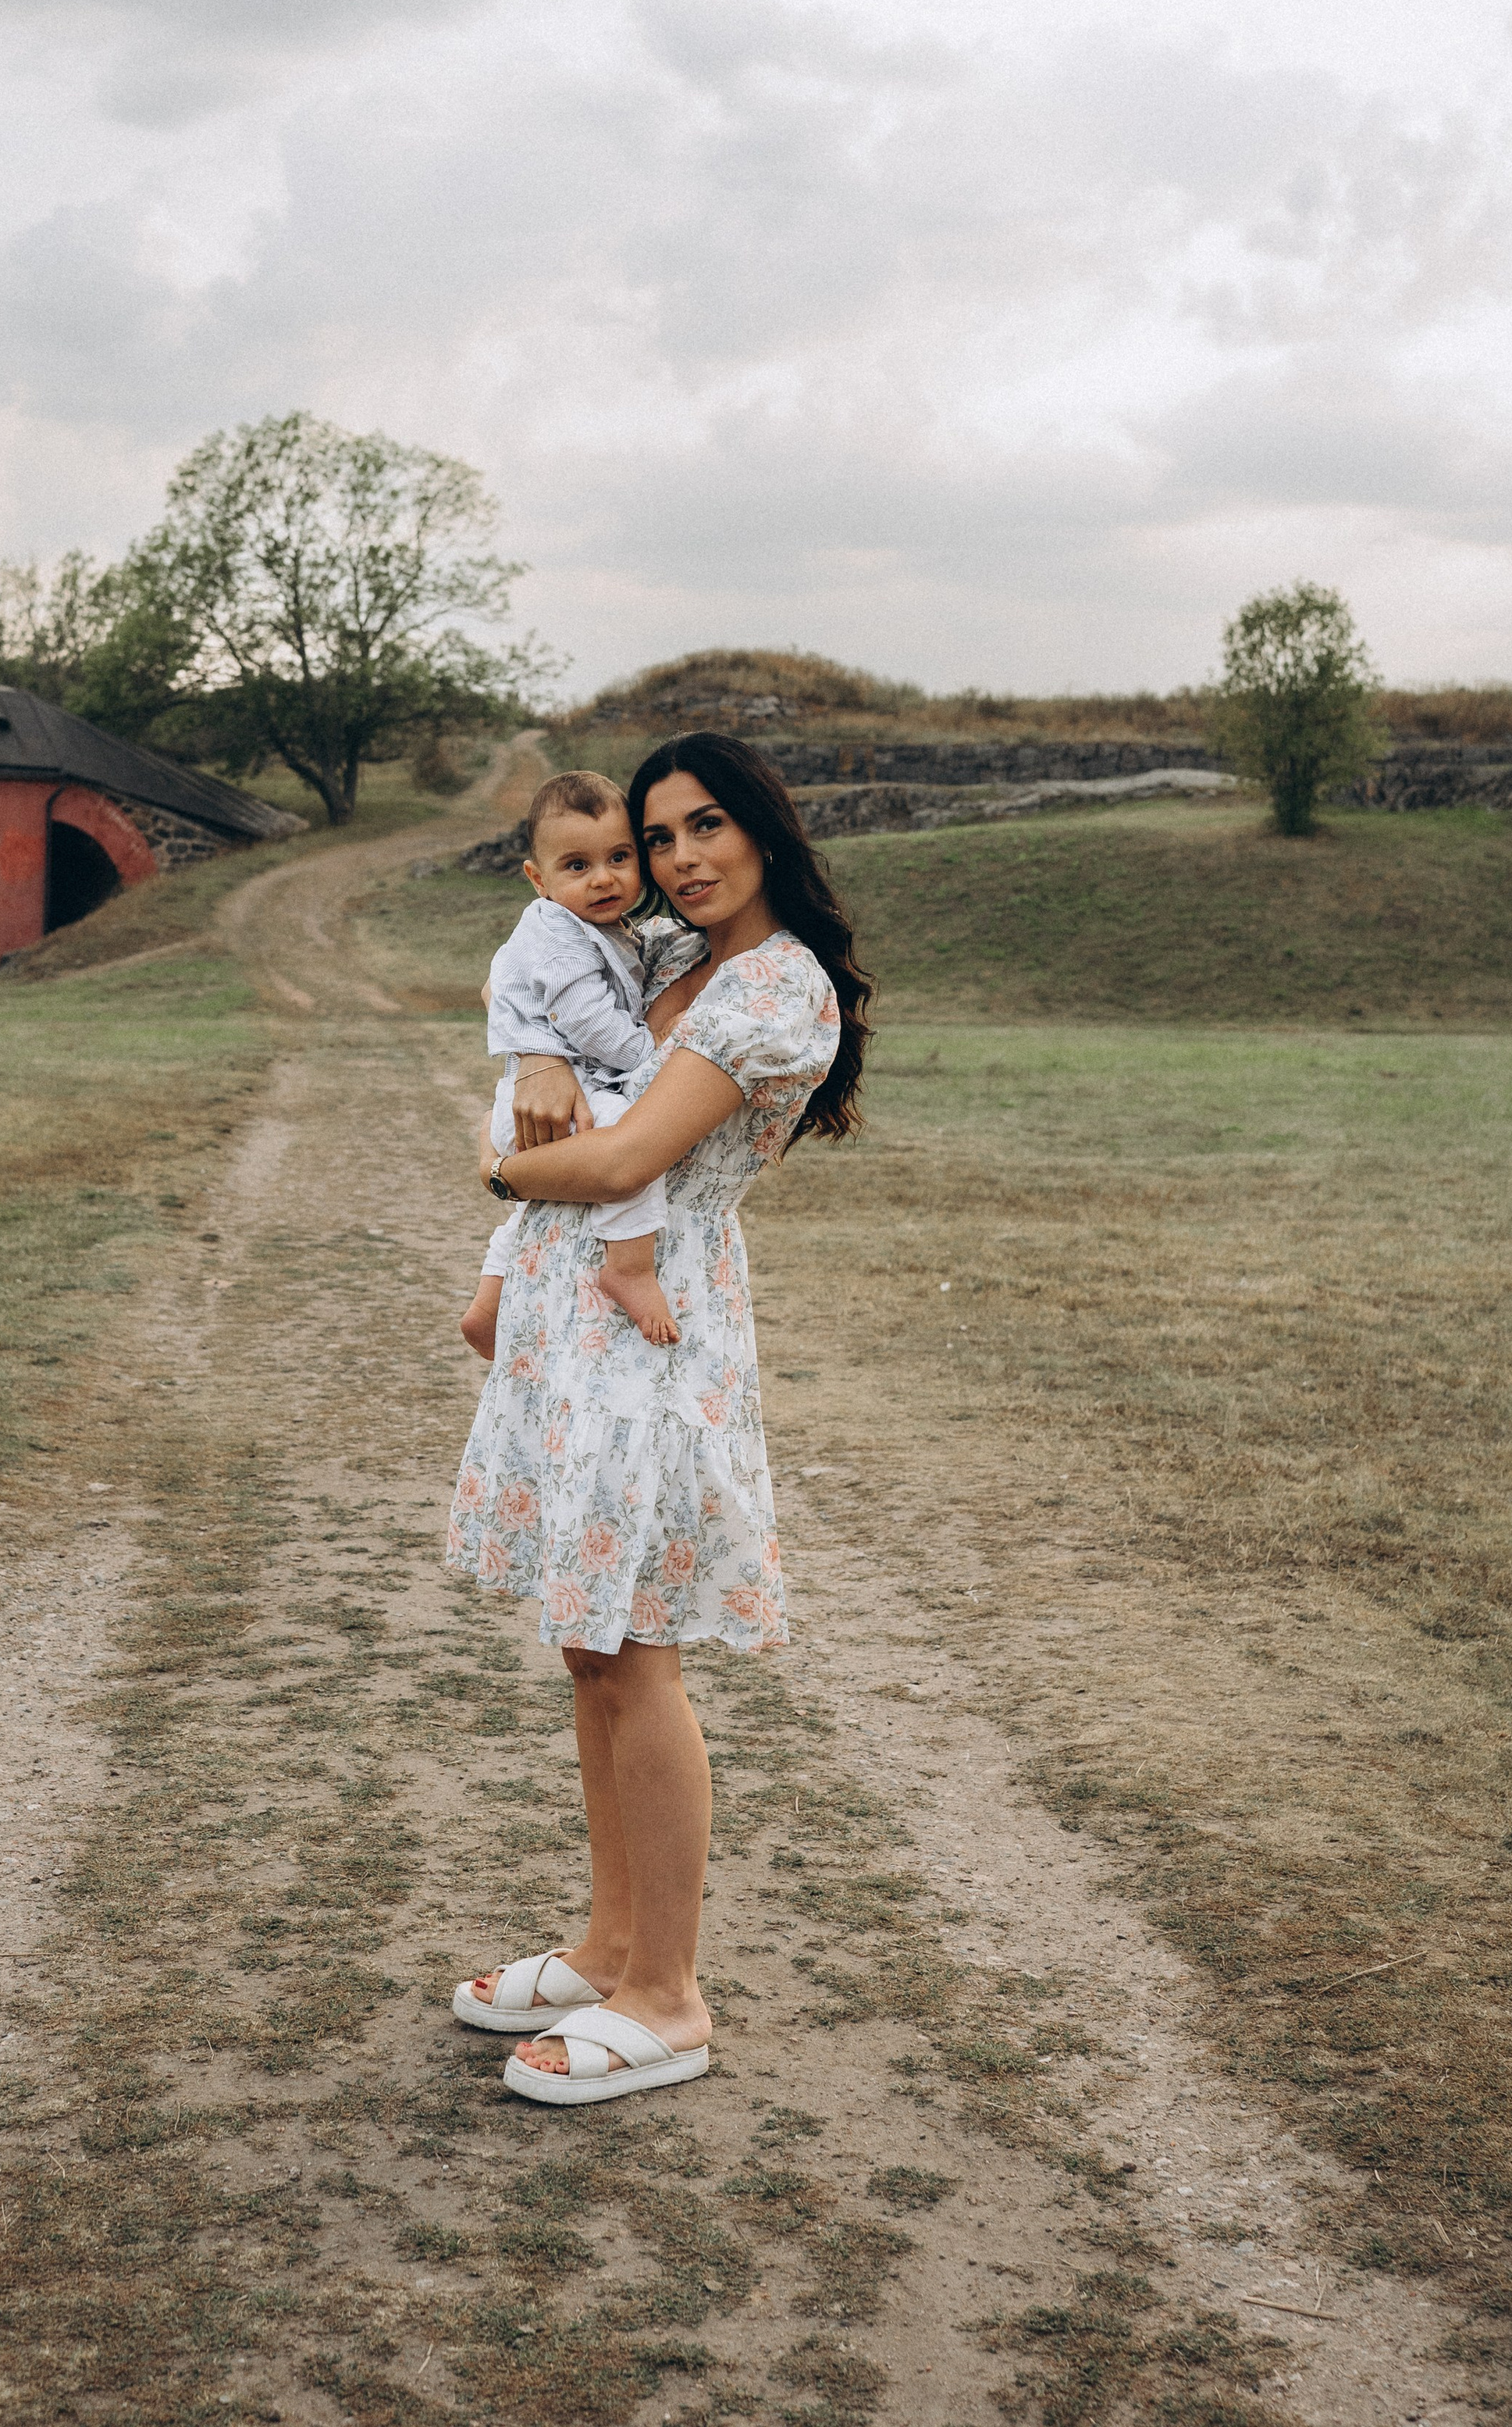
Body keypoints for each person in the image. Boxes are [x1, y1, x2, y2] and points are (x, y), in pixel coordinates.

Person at [444, 733, 872, 2105]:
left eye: (706, 829)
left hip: (658, 1336)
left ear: (762, 830)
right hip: (577, 1330)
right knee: (590, 1643)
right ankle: (609, 1940)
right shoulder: (653, 961)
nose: (679, 860)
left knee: (637, 1647)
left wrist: (508, 1157)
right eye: (657, 836)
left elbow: (623, 1156)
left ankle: (668, 1994)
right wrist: (524, 1099)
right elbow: (538, 1042)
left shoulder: (776, 986)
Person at [460, 770, 705, 1361]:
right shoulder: (554, 926)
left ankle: (489, 1303)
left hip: (546, 1095)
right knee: (627, 1141)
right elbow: (584, 1016)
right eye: (577, 866)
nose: (603, 877)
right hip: (555, 1093)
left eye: (619, 856)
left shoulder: (612, 930)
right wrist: (652, 1061)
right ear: (537, 879)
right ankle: (628, 1268)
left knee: (538, 1205)